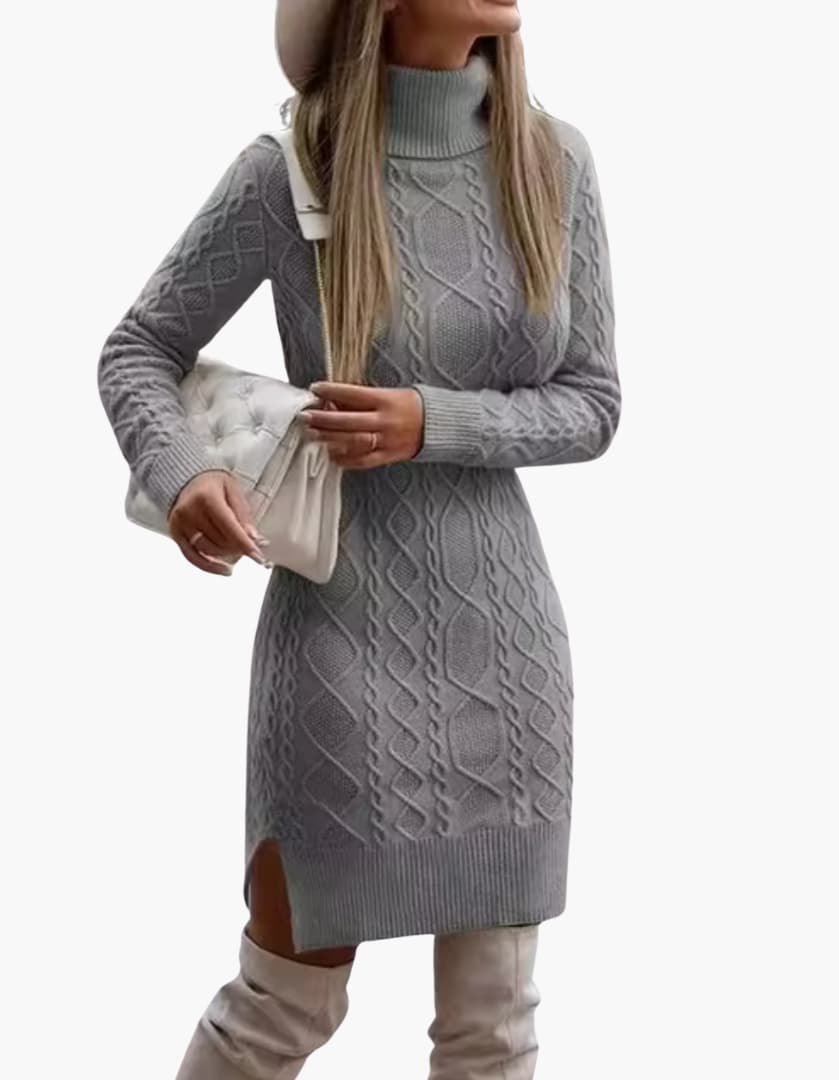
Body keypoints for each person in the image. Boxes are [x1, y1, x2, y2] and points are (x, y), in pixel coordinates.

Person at [96, 1, 622, 1076]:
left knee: (494, 1028)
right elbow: (139, 347)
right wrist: (185, 471)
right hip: (338, 642)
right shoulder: (294, 167)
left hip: (508, 653)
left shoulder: (554, 161)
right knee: (282, 1006)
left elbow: (593, 404)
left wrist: (433, 422)